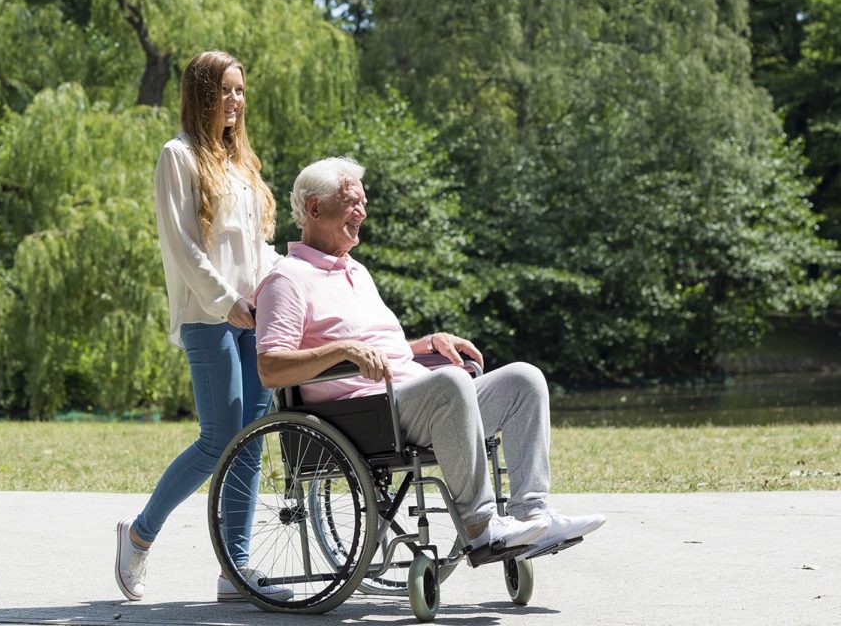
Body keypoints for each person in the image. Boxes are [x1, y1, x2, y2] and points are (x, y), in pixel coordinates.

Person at [254, 156, 605, 561]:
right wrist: (342, 351)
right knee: (452, 383)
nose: (363, 213)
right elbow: (271, 366)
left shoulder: (356, 271)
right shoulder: (287, 280)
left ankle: (532, 517)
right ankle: (480, 524)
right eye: (352, 203)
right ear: (315, 208)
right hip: (361, 416)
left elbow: (384, 347)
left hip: (408, 398)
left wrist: (427, 343)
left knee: (524, 380)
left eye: (363, 203)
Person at [114, 50, 292, 603]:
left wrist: (285, 283)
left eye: (241, 90)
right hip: (207, 316)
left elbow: (257, 247)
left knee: (251, 443)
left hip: (253, 317)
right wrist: (226, 300)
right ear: (202, 95)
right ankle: (139, 535)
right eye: (226, 90)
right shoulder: (178, 156)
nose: (236, 100)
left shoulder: (243, 164)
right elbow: (183, 244)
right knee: (219, 440)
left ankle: (235, 570)